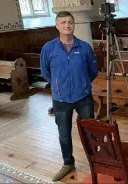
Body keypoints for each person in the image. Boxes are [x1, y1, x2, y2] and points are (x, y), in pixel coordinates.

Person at [40, 11, 98, 181]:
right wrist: (59, 85)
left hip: (83, 97)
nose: (67, 25)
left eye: (70, 22)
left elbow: (92, 72)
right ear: (57, 25)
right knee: (64, 133)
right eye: (63, 22)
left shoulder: (84, 47)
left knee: (91, 131)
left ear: (74, 24)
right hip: (60, 100)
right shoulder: (48, 48)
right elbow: (45, 72)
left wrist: (82, 84)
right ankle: (68, 163)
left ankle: (96, 161)